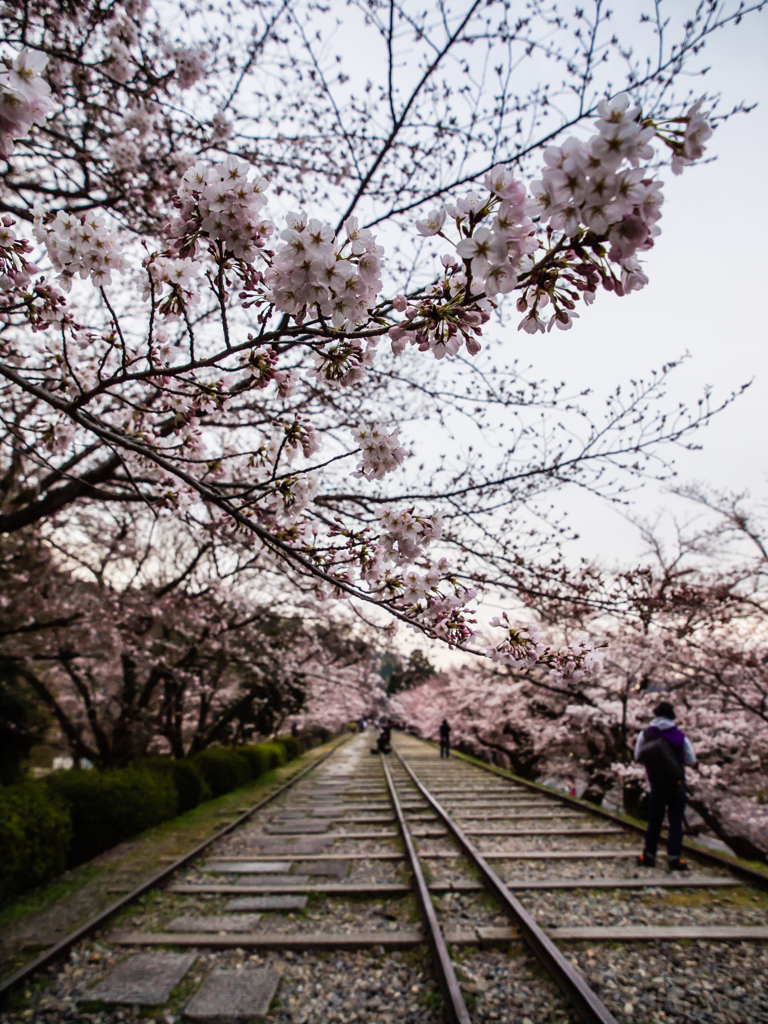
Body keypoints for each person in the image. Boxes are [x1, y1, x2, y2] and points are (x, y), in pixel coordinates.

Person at [634, 701, 696, 871]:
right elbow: (691, 759)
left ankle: (648, 856)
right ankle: (674, 858)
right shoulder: (680, 736)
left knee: (654, 821)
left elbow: (638, 756)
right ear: (672, 717)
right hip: (676, 784)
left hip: (656, 783)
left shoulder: (645, 734)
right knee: (676, 822)